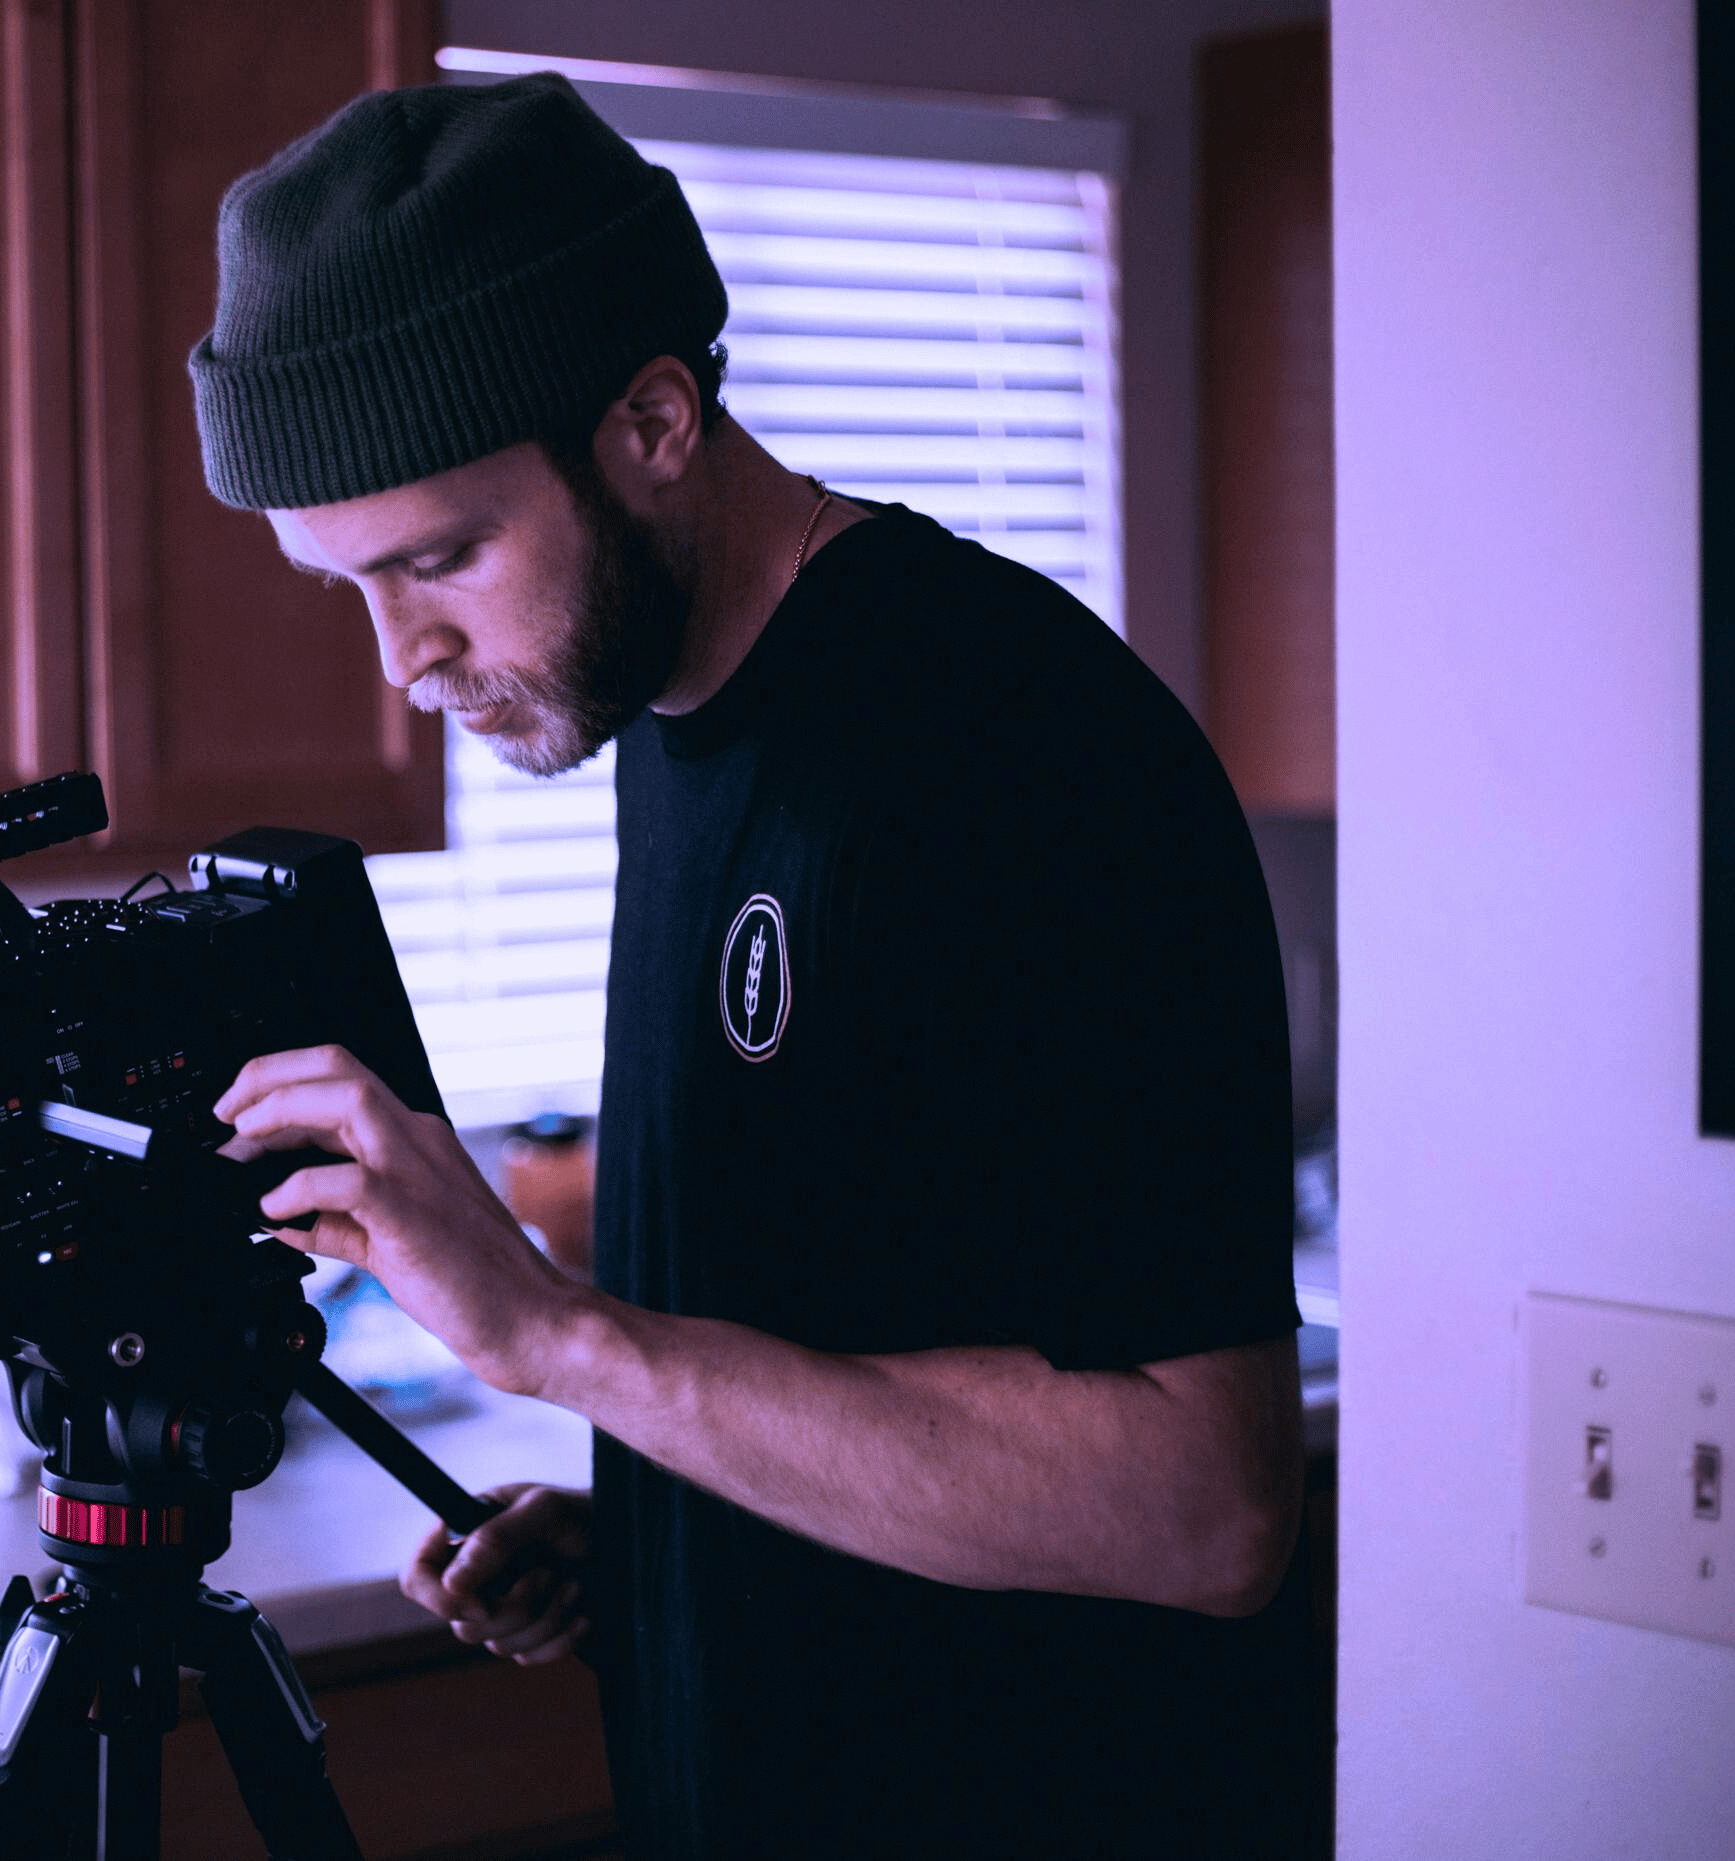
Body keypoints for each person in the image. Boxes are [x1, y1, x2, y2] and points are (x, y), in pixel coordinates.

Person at [193, 74, 1313, 1858]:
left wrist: (561, 1339)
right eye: (354, 586)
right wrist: (662, 1531)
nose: (401, 658)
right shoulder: (668, 715)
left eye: (446, 557)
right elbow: (857, 1320)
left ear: (652, 419)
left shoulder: (1013, 746)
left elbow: (1203, 1513)